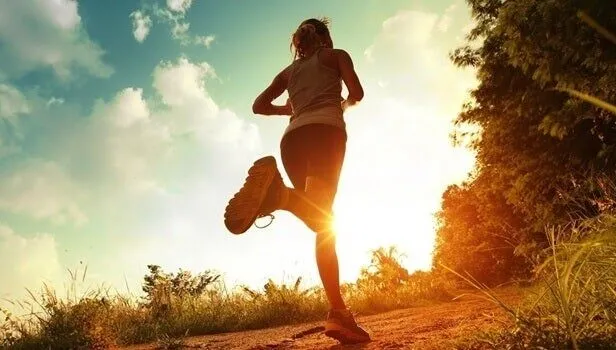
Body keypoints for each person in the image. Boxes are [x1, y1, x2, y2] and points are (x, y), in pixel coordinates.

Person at [224, 17, 370, 344]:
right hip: (325, 133)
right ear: (325, 37)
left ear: (299, 41)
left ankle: (339, 314)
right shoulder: (336, 56)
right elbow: (357, 92)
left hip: (292, 141)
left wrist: (287, 110)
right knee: (323, 219)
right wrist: (342, 105)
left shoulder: (289, 73)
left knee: (321, 220)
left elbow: (258, 105)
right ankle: (281, 196)